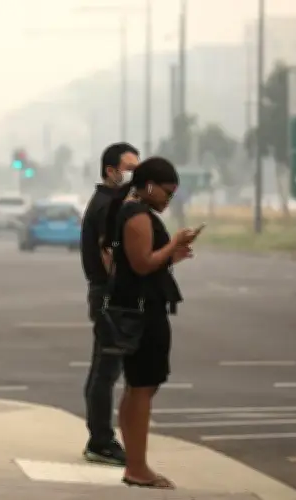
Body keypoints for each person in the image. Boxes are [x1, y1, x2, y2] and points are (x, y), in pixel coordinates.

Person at [107, 157, 194, 489]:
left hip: (140, 306)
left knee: (138, 386)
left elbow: (140, 263)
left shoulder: (131, 211)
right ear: (148, 185)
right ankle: (138, 467)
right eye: (166, 192)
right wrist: (172, 244)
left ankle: (135, 463)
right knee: (142, 387)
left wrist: (172, 255)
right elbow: (142, 265)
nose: (168, 199)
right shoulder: (138, 216)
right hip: (144, 313)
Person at [79, 142, 140, 466]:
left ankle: (99, 437)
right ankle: (101, 441)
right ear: (111, 171)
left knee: (102, 370)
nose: (135, 176)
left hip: (106, 295)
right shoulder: (109, 207)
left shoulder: (109, 202)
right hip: (111, 297)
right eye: (130, 169)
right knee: (106, 371)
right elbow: (109, 255)